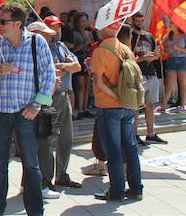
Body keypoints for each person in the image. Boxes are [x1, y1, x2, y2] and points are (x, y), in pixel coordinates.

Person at [0, 2, 55, 216]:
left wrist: (37, 105)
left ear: (18, 23)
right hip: (0, 111)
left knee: (31, 165)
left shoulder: (36, 42)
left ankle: (36, 214)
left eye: (3, 21)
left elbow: (49, 75)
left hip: (26, 113)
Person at [29, 18, 82, 198]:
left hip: (64, 94)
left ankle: (62, 175)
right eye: (53, 28)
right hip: (48, 97)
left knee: (66, 138)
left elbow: (77, 66)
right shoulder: (39, 48)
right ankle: (46, 179)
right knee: (46, 140)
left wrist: (63, 66)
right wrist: (64, 67)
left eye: (59, 27)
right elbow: (49, 72)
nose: (57, 31)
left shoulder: (61, 46)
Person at [91, 24, 143, 202]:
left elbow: (99, 82)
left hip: (109, 105)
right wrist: (124, 98)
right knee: (130, 147)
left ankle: (117, 190)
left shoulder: (100, 51)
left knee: (113, 150)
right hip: (128, 105)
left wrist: (116, 96)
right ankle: (136, 188)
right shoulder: (126, 49)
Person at [131, 12, 167, 145]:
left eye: (142, 20)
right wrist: (143, 58)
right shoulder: (130, 36)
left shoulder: (149, 36)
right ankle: (134, 135)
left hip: (151, 73)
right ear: (132, 21)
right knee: (136, 107)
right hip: (137, 74)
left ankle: (151, 133)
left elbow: (156, 55)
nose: (140, 23)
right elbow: (129, 59)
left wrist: (155, 55)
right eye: (137, 20)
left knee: (150, 105)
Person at [161, 21, 186, 114]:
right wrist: (168, 50)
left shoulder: (185, 35)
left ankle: (182, 106)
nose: (170, 24)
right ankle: (163, 106)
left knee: (183, 84)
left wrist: (178, 48)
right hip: (171, 60)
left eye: (172, 23)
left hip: (182, 60)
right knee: (169, 85)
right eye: (170, 23)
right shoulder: (167, 36)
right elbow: (165, 49)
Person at [69, 12, 94, 119]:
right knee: (80, 86)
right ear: (77, 23)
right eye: (82, 21)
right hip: (78, 58)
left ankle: (85, 108)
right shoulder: (74, 33)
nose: (84, 23)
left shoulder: (89, 33)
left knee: (86, 86)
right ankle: (79, 109)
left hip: (87, 59)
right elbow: (72, 50)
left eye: (85, 20)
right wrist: (84, 43)